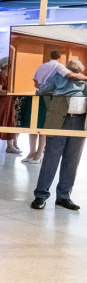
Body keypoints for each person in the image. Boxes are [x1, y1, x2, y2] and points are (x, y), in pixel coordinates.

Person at [31, 58, 87, 211]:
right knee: (51, 159)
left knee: (72, 161)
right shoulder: (58, 79)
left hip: (80, 124)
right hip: (59, 122)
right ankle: (40, 196)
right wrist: (52, 108)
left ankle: (64, 197)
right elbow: (42, 91)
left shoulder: (85, 84)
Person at [23, 50, 87, 164]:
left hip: (40, 95)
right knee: (45, 124)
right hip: (54, 102)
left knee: (35, 125)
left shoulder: (42, 66)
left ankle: (32, 152)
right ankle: (38, 154)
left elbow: (35, 80)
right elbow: (70, 75)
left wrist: (40, 87)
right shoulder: (59, 67)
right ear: (60, 57)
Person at [0, 57, 21, 154]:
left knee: (10, 122)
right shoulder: (0, 75)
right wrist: (11, 93)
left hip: (9, 103)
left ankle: (10, 146)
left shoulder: (11, 75)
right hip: (2, 103)